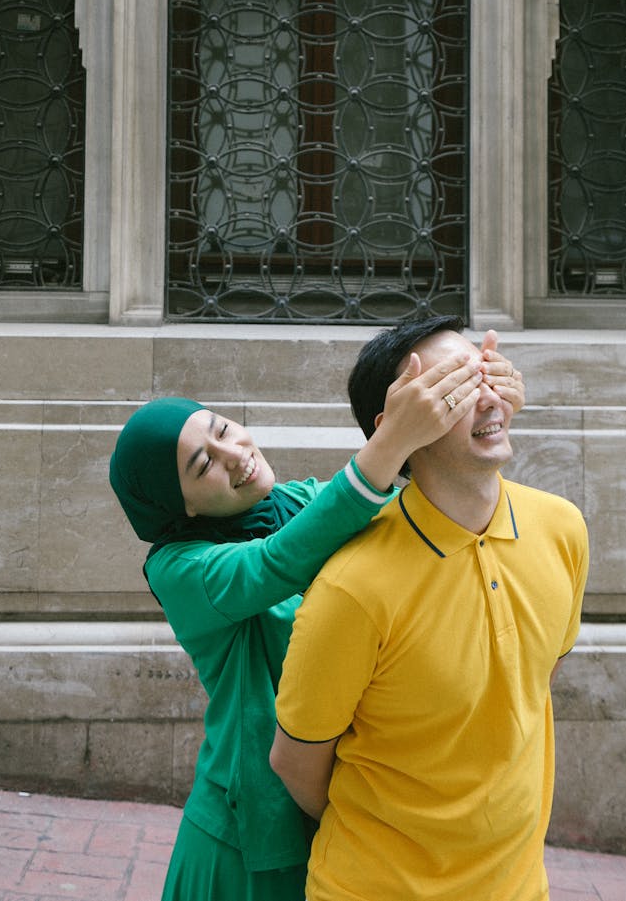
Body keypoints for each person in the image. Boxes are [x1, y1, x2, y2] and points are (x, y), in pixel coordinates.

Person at [108, 330, 524, 901]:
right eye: (203, 464)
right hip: (250, 837)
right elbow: (279, 561)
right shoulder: (182, 569)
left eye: (224, 430)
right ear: (180, 506)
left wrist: (486, 412)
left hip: (353, 810)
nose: (235, 456)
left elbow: (421, 505)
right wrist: (393, 437)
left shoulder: (305, 502)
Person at [271, 315, 589, 901]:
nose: (488, 397)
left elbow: (531, 685)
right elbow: (296, 763)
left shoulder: (562, 529)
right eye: (454, 389)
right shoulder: (353, 587)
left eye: (485, 373)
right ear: (399, 424)